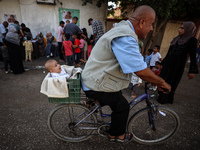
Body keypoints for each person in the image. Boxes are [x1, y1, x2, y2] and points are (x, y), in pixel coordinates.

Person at [82, 5, 171, 143]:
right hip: (96, 82)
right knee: (122, 106)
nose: (152, 28)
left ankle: (111, 125)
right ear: (141, 22)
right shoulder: (126, 37)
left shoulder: (123, 28)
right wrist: (162, 82)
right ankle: (116, 135)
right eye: (151, 24)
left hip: (95, 77)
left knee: (117, 98)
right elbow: (140, 71)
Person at [157, 21, 199, 104]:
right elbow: (169, 52)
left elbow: (193, 56)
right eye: (180, 28)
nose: (179, 30)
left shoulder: (192, 41)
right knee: (162, 78)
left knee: (172, 81)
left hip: (178, 65)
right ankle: (160, 95)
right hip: (169, 63)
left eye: (182, 28)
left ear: (188, 29)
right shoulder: (177, 38)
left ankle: (166, 99)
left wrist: (192, 71)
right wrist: (163, 63)